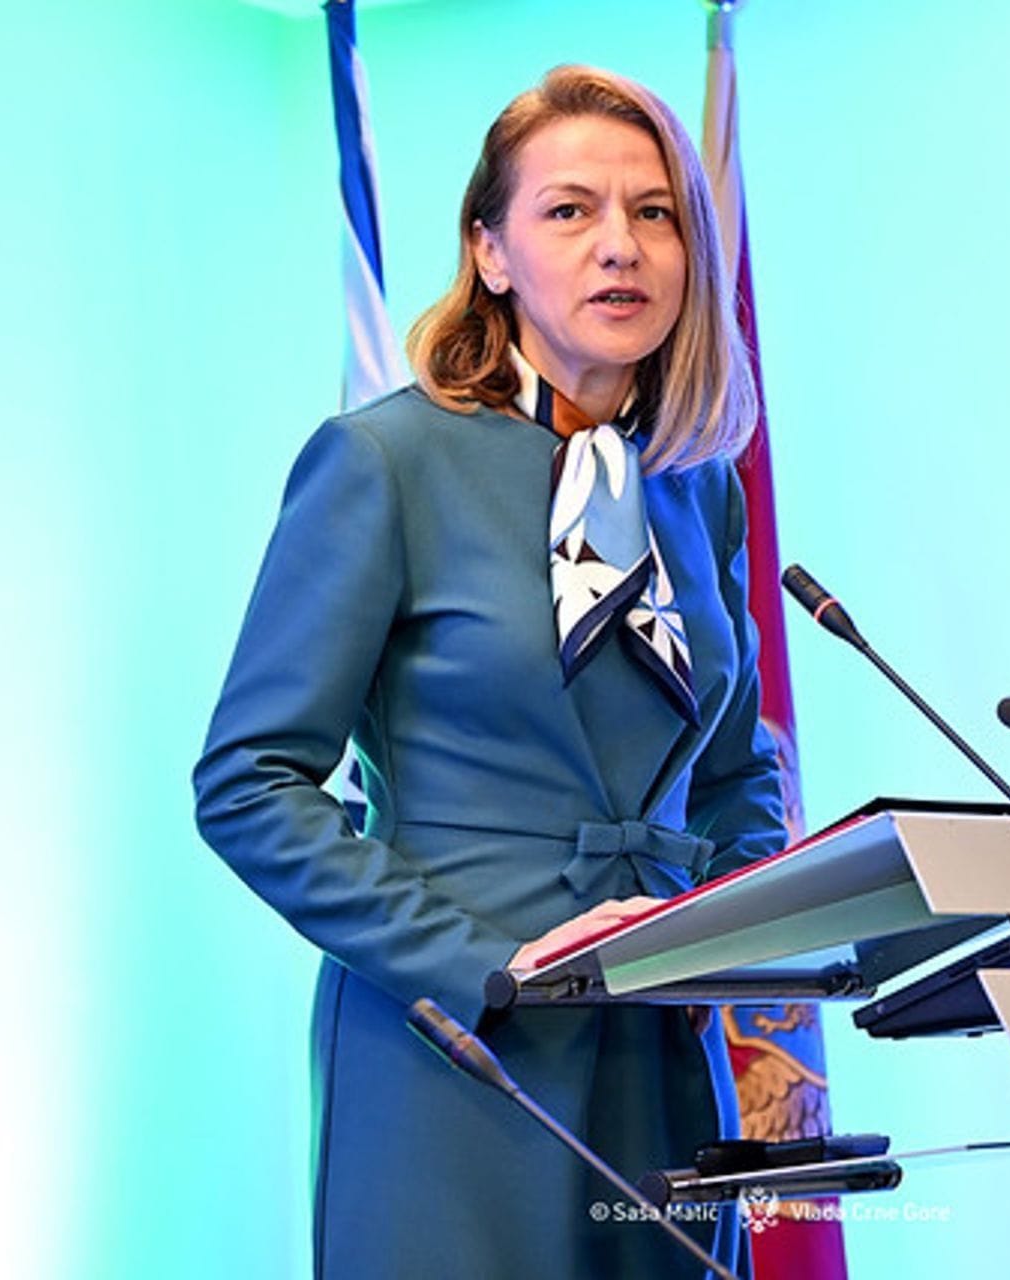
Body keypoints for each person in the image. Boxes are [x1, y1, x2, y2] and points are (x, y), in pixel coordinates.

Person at [193, 64, 785, 1278]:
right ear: (491, 252)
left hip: (662, 1054)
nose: (621, 245)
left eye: (656, 212)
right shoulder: (383, 461)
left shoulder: (701, 489)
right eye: (570, 210)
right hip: (456, 1046)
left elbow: (738, 770)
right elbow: (248, 783)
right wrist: (485, 968)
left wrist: (721, 928)